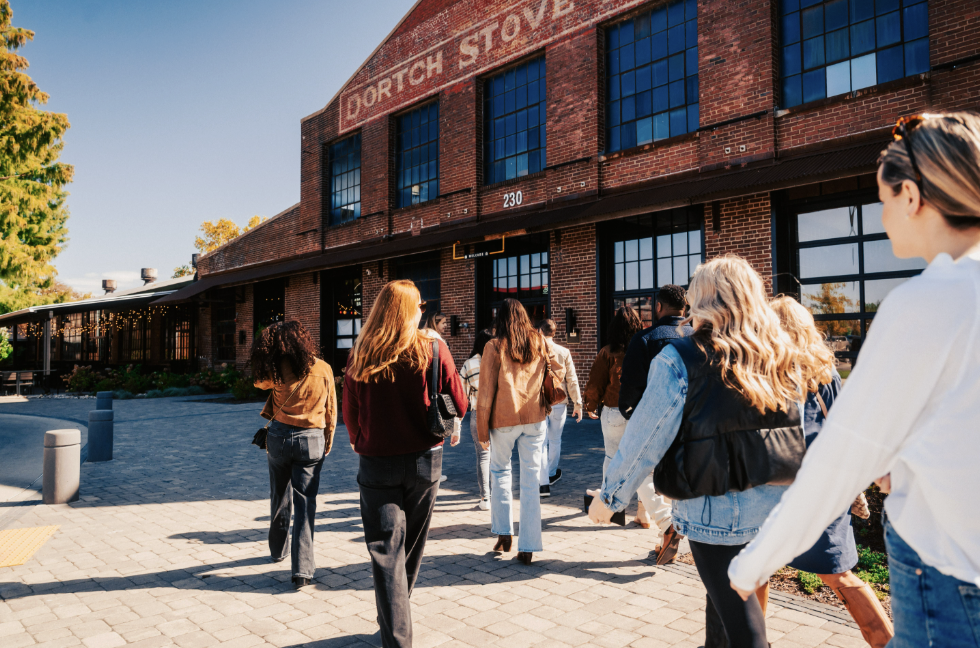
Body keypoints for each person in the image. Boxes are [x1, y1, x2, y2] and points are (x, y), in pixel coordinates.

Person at [728, 113, 980, 648]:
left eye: (883, 199)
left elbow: (841, 460)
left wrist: (753, 563)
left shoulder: (922, 304)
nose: (881, 214)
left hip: (949, 576)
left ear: (911, 196)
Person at [588, 255, 808, 648]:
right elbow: (797, 429)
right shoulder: (778, 353)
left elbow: (646, 436)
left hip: (716, 509)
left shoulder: (681, 358)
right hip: (776, 504)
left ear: (702, 300)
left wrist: (610, 497)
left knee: (742, 626)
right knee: (724, 613)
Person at [343, 280, 468, 648]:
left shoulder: (361, 353)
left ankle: (395, 625)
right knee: (410, 547)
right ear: (406, 311)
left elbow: (350, 410)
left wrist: (356, 440)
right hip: (424, 461)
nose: (421, 311)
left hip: (376, 461)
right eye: (418, 306)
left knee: (385, 551)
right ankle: (397, 625)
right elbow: (459, 404)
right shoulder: (433, 348)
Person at [769, 296, 893, 647]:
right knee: (835, 573)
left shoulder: (775, 375)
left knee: (831, 572)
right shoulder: (824, 372)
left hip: (791, 491)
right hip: (821, 488)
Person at [476, 298, 565, 565]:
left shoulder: (493, 346)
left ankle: (504, 534)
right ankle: (528, 546)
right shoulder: (539, 341)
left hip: (503, 420)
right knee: (530, 482)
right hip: (535, 417)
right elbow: (556, 369)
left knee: (500, 472)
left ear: (500, 319)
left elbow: (485, 392)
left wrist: (482, 430)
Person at [251, 321, 337, 590]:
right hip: (311, 440)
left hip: (278, 439)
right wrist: (327, 442)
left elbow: (257, 383)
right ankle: (302, 570)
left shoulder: (278, 368)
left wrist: (267, 358)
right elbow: (331, 411)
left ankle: (278, 550)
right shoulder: (324, 369)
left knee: (279, 495)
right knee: (305, 503)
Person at [618, 285, 693, 562]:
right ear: (685, 308)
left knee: (644, 476)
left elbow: (629, 389)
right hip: (695, 425)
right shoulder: (698, 336)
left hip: (658, 424)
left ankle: (668, 527)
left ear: (658, 307)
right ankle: (674, 534)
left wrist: (633, 416)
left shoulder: (646, 339)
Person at [535, 319, 582, 498]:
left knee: (541, 441)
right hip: (559, 401)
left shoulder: (535, 350)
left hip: (540, 401)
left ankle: (543, 482)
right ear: (554, 333)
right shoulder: (564, 352)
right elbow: (572, 379)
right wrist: (577, 403)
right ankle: (551, 473)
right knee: (555, 440)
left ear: (540, 331)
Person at [420, 311, 457, 482]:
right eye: (443, 323)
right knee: (438, 429)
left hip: (424, 391)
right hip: (437, 392)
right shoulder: (438, 341)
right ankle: (435, 471)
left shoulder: (421, 336)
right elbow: (449, 372)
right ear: (435, 323)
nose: (445, 326)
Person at [460, 328, 495, 510]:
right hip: (499, 414)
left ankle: (485, 499)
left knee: (483, 456)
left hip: (477, 413)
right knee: (501, 456)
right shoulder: (500, 360)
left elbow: (461, 393)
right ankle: (500, 493)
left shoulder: (469, 363)